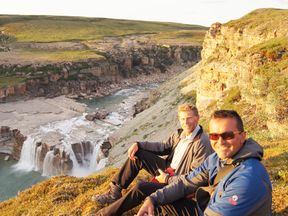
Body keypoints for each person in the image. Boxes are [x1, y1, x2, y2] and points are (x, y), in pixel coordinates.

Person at [137, 110, 272, 216]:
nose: (220, 142)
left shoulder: (248, 178)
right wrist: (152, 199)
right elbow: (186, 184)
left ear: (243, 137)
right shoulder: (215, 159)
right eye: (214, 136)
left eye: (228, 135)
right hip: (205, 208)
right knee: (157, 200)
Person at [92, 103, 213, 215]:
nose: (185, 122)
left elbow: (195, 178)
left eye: (189, 118)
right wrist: (139, 144)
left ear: (197, 118)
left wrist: (167, 179)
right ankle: (115, 191)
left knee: (141, 187)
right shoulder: (179, 134)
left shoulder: (202, 142)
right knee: (138, 154)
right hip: (167, 168)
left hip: (177, 180)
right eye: (182, 119)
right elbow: (163, 147)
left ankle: (103, 214)